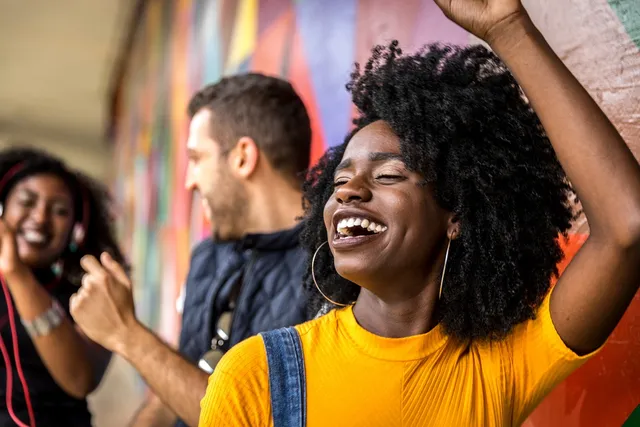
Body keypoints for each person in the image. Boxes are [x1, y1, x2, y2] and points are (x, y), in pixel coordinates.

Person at [197, 1, 640, 426]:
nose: (349, 190)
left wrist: (509, 30)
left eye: (388, 175)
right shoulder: (253, 378)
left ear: (456, 215)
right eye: (339, 181)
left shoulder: (497, 366)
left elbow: (626, 227)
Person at [69, 73, 313, 427]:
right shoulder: (208, 257)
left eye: (197, 159)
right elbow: (176, 389)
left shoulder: (331, 269)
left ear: (243, 157)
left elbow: (251, 420)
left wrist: (126, 333)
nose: (189, 181)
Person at [0, 147, 125, 426]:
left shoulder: (89, 294)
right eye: (27, 201)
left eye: (59, 211)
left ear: (75, 230)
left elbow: (80, 379)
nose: (40, 218)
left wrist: (17, 275)